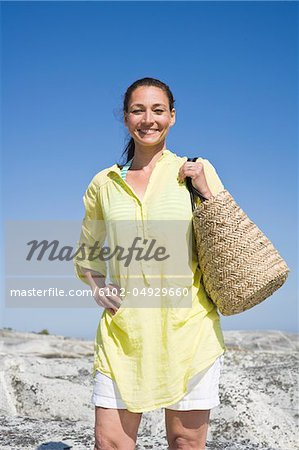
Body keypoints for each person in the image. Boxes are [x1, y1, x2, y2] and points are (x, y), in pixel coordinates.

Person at [73, 77, 227, 450]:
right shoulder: (104, 183)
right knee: (109, 442)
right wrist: (99, 286)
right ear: (126, 119)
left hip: (189, 332)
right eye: (138, 110)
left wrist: (205, 190)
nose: (148, 119)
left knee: (185, 442)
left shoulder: (196, 171)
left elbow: (227, 231)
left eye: (158, 110)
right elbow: (88, 251)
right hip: (124, 335)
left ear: (172, 117)